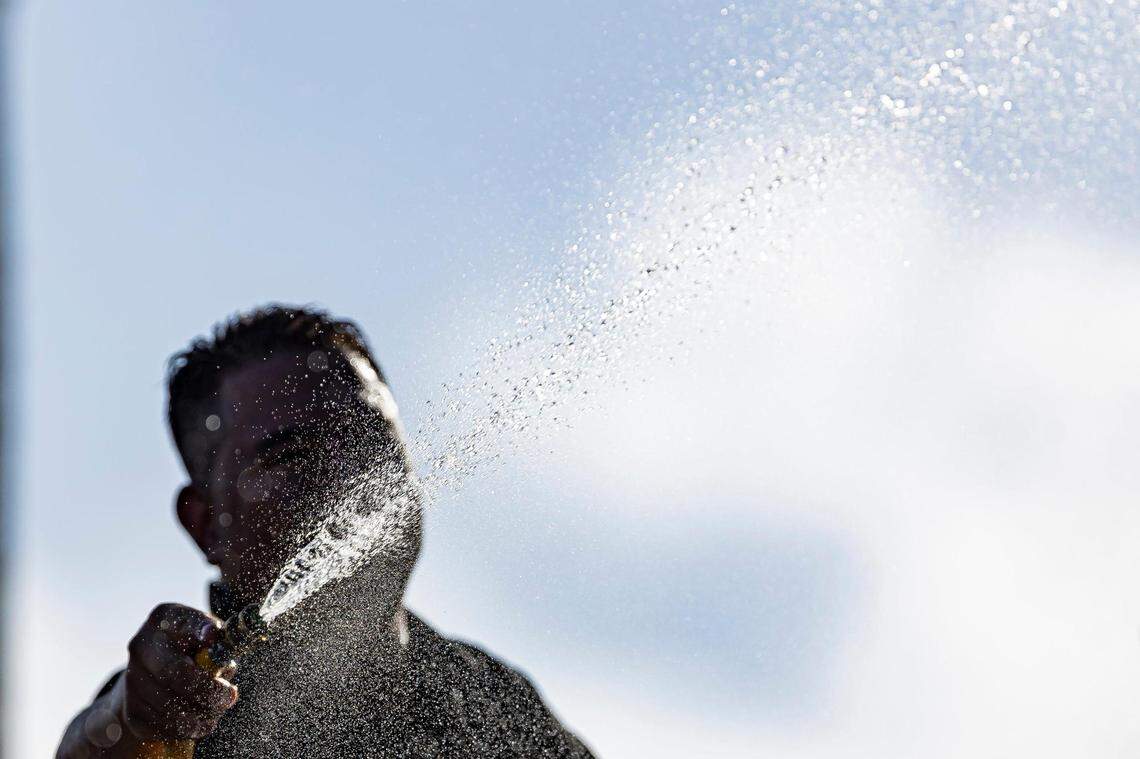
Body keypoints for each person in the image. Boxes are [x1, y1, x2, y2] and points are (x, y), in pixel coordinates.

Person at [55, 305, 594, 758]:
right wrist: (135, 716)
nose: (350, 474)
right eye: (291, 455)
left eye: (368, 435)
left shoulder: (492, 708)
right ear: (205, 524)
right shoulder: (178, 711)